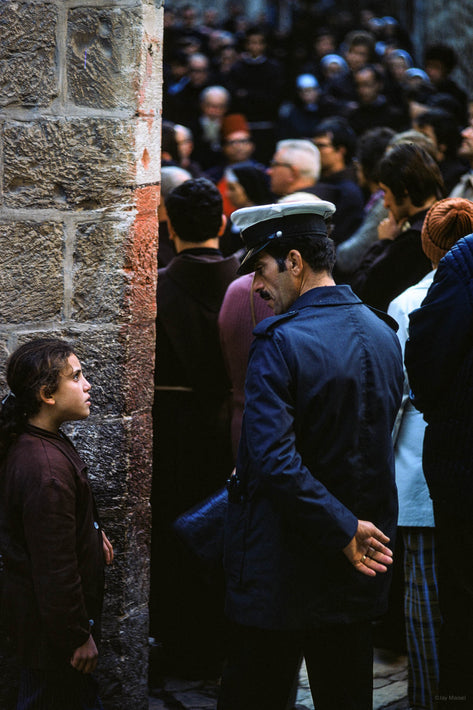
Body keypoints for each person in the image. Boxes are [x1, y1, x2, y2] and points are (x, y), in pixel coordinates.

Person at [218, 200, 403, 710]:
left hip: (285, 570)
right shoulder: (381, 331)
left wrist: (343, 529)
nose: (256, 284)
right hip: (356, 563)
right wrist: (347, 529)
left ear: (294, 262)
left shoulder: (280, 342)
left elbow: (273, 461)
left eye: (260, 268)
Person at [150, 177, 240, 678]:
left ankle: (184, 642)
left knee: (177, 531)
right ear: (223, 222)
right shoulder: (250, 285)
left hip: (176, 432)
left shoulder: (158, 285)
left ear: (168, 225)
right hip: (237, 427)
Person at [387, 198, 473, 709]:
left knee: (428, 605)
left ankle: (434, 697)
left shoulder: (412, 302)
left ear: (427, 245)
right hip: (444, 470)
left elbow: (404, 395)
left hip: (426, 477)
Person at [0, 338, 113, 710]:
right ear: (48, 394)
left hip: (48, 635)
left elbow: (58, 529)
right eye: (76, 377)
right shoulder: (45, 469)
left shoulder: (43, 442)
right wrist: (77, 637)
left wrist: (92, 534)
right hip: (54, 641)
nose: (88, 385)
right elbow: (54, 568)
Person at [351, 142, 444, 311]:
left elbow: (362, 292)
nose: (385, 203)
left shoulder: (415, 239)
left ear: (403, 190)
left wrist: (384, 243)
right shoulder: (443, 221)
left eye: (386, 192)